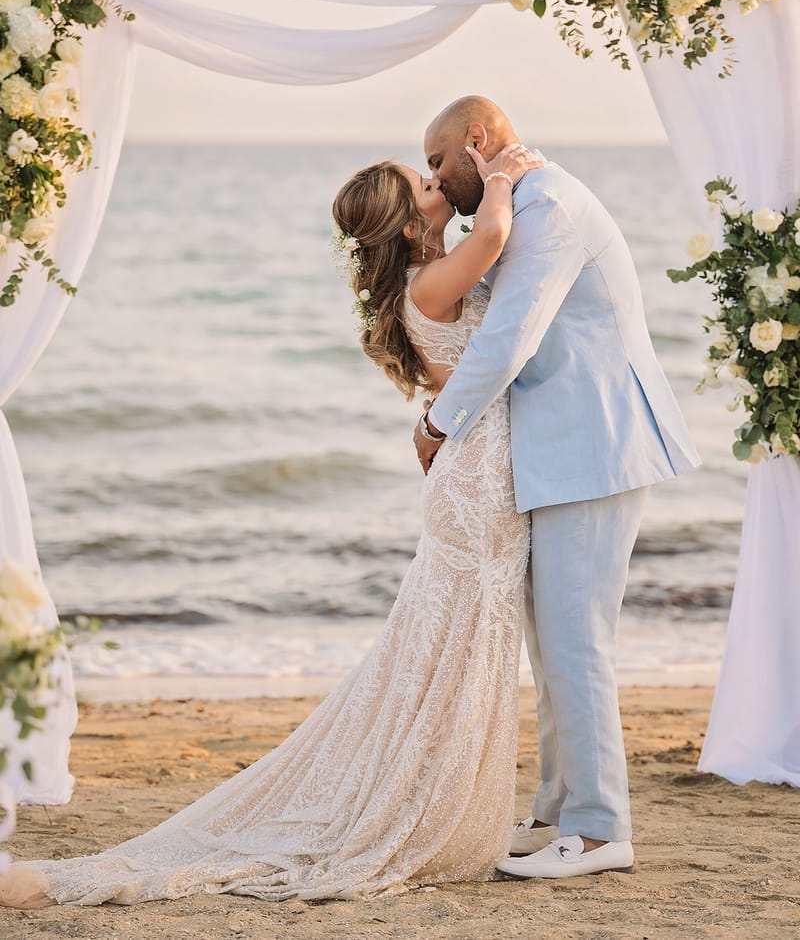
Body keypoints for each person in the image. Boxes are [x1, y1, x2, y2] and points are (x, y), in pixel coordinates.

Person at [0, 140, 541, 909]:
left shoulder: (428, 277)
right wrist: (505, 171)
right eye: (423, 183)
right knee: (457, 652)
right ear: (406, 224)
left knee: (454, 654)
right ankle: (426, 809)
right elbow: (494, 233)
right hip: (476, 484)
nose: (436, 183)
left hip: (477, 476)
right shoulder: (429, 283)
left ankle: (440, 800)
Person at [414, 96, 701, 880]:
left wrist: (439, 423)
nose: (435, 176)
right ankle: (555, 812)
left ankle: (602, 831)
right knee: (552, 644)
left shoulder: (551, 209)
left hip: (595, 448)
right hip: (561, 452)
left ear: (476, 138)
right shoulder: (522, 202)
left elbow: (511, 337)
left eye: (438, 160)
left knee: (577, 644)